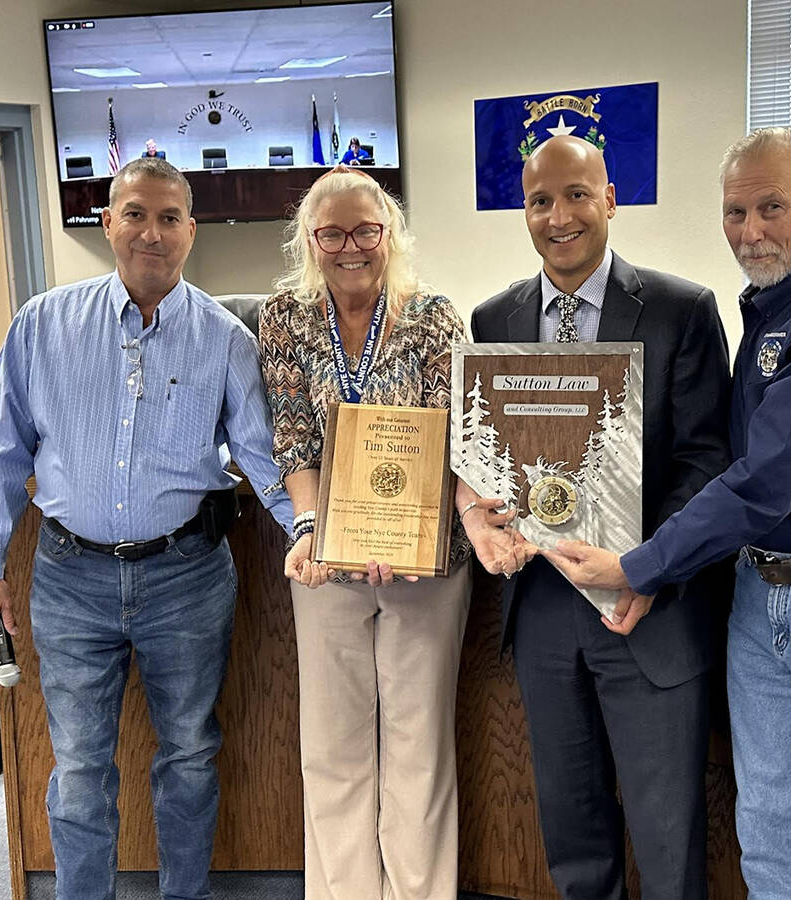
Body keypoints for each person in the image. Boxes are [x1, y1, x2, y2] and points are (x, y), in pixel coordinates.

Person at [544, 127, 791, 898]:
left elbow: (768, 476)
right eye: (735, 212)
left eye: (772, 208)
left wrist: (640, 563)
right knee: (770, 838)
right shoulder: (769, 307)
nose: (750, 230)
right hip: (762, 598)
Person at [0, 156, 293, 900]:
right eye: (135, 214)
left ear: (191, 231)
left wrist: (310, 535)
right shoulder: (43, 325)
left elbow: (265, 461)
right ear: (107, 223)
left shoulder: (224, 338)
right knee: (78, 766)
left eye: (170, 217)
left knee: (190, 754)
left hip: (187, 578)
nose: (152, 232)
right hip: (70, 579)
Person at [465, 134, 732, 900]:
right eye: (541, 200)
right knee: (572, 829)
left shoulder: (683, 310)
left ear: (609, 200)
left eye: (577, 195)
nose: (559, 216)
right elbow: (489, 457)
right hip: (544, 610)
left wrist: (650, 567)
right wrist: (485, 515)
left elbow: (706, 460)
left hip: (648, 608)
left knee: (667, 832)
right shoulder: (495, 318)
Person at [259, 165, 507, 900]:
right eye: (330, 232)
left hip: (427, 562)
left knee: (417, 747)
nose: (349, 246)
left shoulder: (433, 315)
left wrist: (414, 537)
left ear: (390, 233)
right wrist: (311, 527)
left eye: (365, 229)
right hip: (326, 559)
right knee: (332, 750)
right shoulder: (286, 318)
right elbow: (294, 436)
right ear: (309, 239)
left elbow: (459, 437)